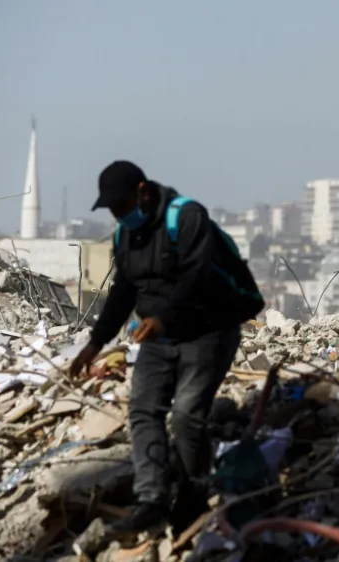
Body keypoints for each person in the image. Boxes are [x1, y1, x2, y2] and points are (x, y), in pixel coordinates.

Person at [69, 161, 250, 536]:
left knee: (186, 415)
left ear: (143, 192)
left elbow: (196, 275)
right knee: (143, 411)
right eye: (114, 210)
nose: (120, 215)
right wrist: (95, 343)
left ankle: (193, 493)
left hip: (208, 331)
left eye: (122, 206)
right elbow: (123, 292)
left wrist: (164, 318)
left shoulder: (185, 217)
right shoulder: (126, 236)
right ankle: (151, 500)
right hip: (158, 337)